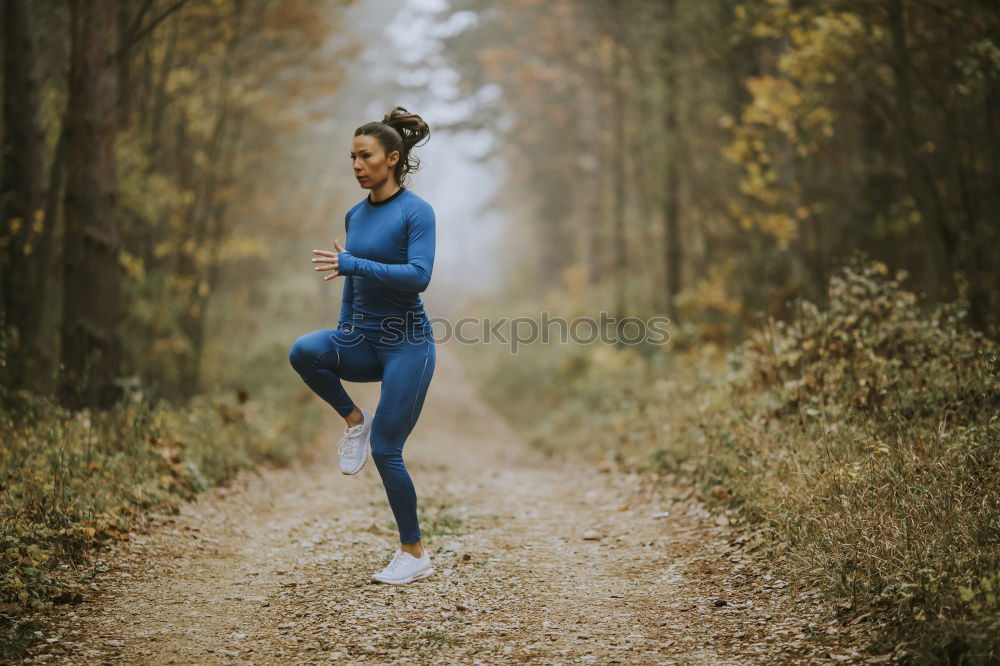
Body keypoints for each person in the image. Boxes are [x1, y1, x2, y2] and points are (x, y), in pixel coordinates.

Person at [288, 106, 437, 585]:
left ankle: (413, 553)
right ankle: (355, 420)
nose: (356, 164)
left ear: (391, 159)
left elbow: (418, 277)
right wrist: (344, 327)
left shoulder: (417, 212)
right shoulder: (355, 214)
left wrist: (354, 265)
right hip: (362, 339)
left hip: (408, 345)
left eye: (365, 156)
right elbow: (351, 281)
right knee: (304, 350)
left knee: (388, 450)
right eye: (351, 156)